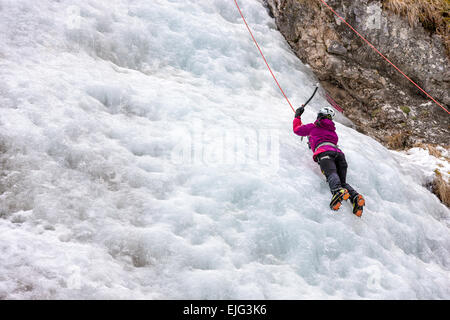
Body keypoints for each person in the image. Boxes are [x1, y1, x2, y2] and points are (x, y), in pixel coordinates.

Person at [293, 105, 365, 217]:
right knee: (343, 182)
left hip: (325, 153)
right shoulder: (333, 132)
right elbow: (320, 137)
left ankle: (337, 191)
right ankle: (355, 197)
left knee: (331, 174)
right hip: (339, 155)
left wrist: (297, 116)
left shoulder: (313, 127)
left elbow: (297, 130)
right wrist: (311, 141)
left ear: (319, 116)